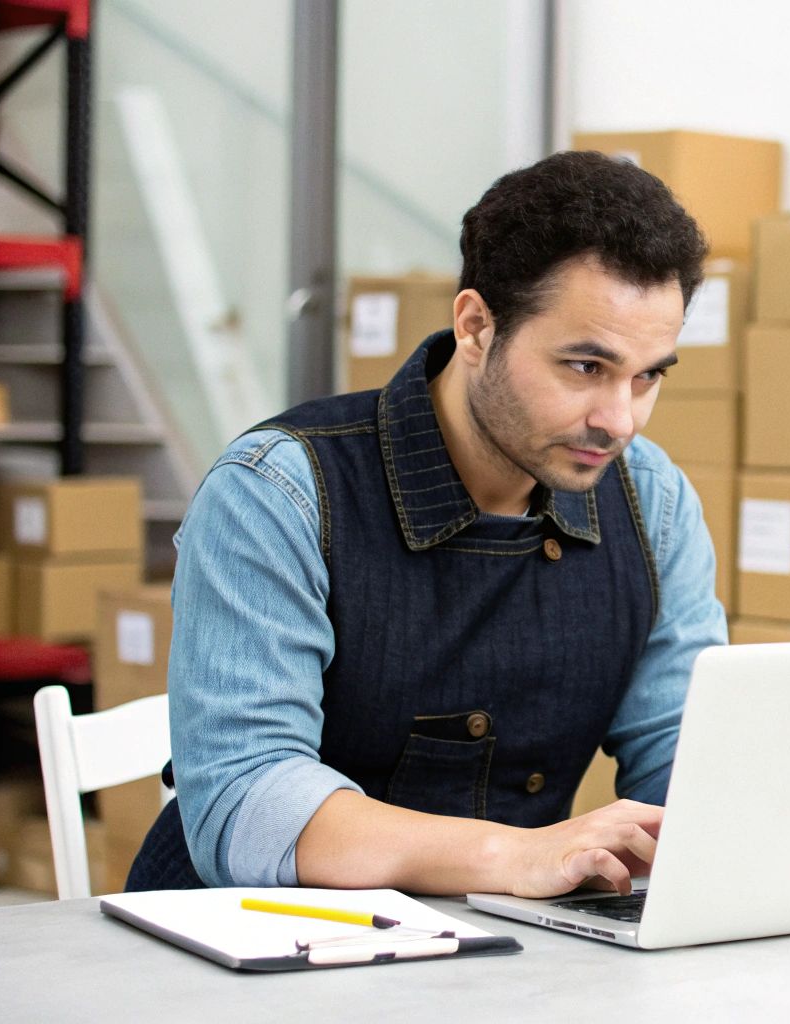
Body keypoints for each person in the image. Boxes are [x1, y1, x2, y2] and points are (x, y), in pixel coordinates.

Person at [126, 151, 724, 898]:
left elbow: (686, 753)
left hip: (500, 940)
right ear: (475, 327)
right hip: (247, 939)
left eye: (648, 376)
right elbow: (246, 800)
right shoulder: (278, 491)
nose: (620, 419)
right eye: (584, 367)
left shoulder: (652, 502)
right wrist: (515, 856)